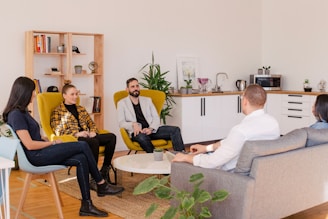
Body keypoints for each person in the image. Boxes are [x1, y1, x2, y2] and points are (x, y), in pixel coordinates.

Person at [3, 76, 124, 217]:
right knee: (83, 145)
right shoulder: (16, 115)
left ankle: (86, 205)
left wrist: (43, 139)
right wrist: (52, 142)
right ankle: (101, 184)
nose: (34, 94)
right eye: (32, 91)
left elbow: (31, 137)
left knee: (81, 159)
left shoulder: (22, 112)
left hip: (41, 151)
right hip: (36, 156)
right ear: (24, 92)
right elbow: (29, 145)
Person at [173, 84, 280, 170]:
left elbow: (212, 162)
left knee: (186, 160)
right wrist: (206, 148)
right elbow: (231, 142)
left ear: (245, 101)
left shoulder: (240, 131)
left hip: (229, 174)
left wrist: (187, 157)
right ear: (264, 102)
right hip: (258, 171)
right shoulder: (273, 124)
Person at [50, 83, 116, 188]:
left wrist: (93, 131)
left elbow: (91, 124)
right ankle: (94, 178)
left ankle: (104, 170)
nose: (75, 96)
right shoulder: (58, 112)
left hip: (87, 136)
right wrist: (76, 133)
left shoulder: (81, 109)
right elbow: (58, 131)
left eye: (76, 94)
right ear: (64, 95)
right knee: (94, 142)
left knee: (111, 137)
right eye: (72, 94)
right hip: (74, 138)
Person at [117, 77, 185, 152]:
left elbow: (156, 117)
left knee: (175, 130)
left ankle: (181, 156)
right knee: (143, 138)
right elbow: (121, 123)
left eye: (137, 86)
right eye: (132, 87)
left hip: (151, 130)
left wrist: (151, 128)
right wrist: (133, 124)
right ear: (127, 89)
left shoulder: (147, 100)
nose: (136, 88)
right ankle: (155, 158)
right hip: (137, 132)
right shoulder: (122, 103)